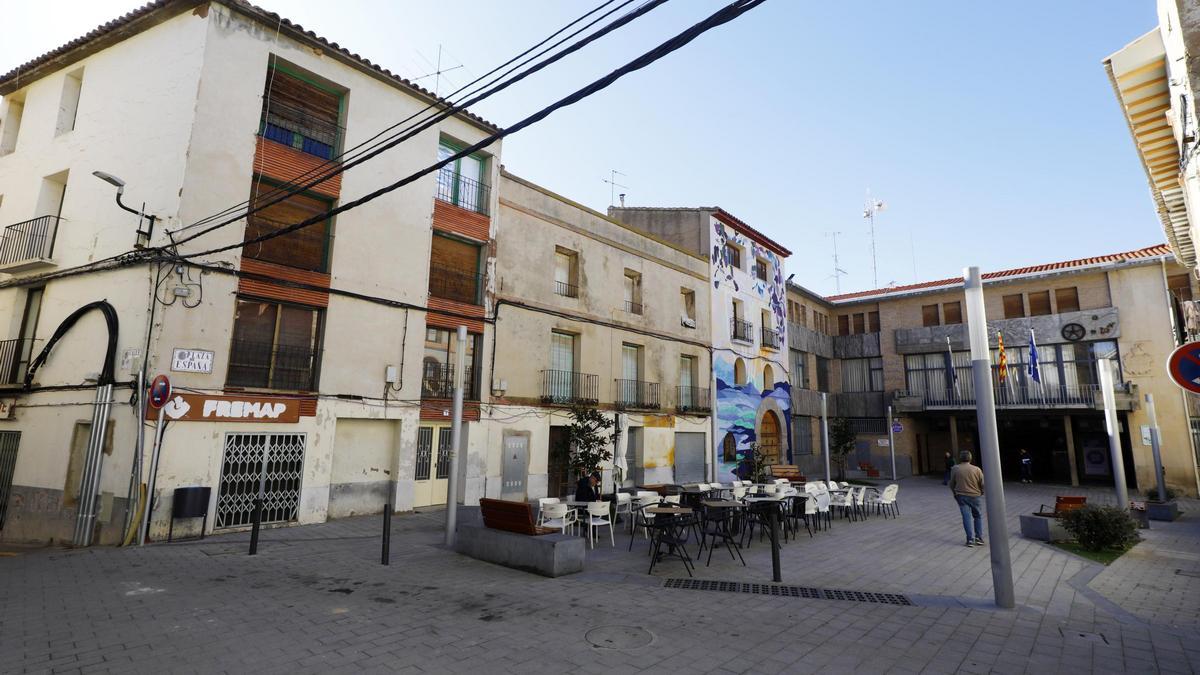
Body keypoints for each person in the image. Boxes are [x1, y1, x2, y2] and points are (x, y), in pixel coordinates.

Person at [949, 450, 985, 547]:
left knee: (966, 517)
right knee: (977, 516)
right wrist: (982, 492)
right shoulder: (977, 469)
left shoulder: (955, 468)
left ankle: (970, 539)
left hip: (961, 496)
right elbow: (982, 484)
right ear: (970, 458)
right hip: (975, 496)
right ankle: (979, 538)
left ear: (960, 458)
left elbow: (951, 483)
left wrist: (955, 493)